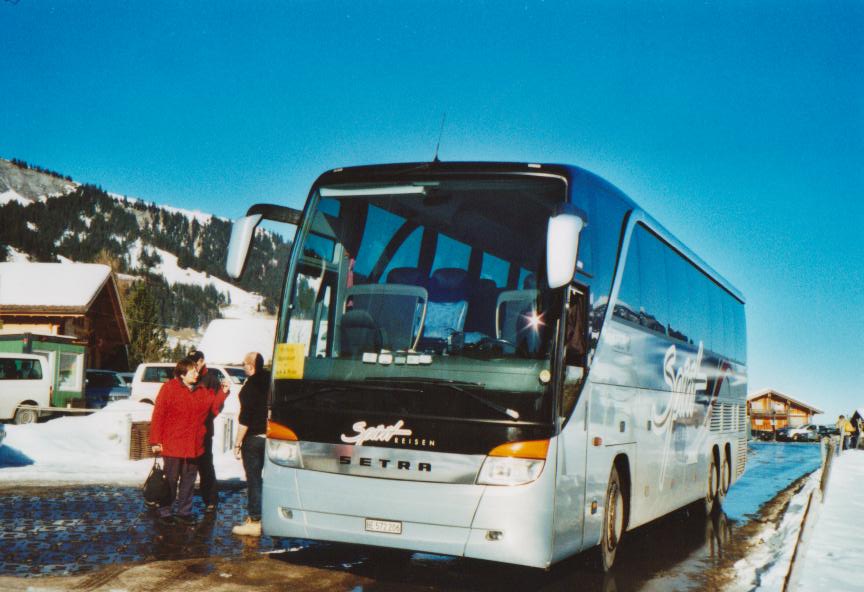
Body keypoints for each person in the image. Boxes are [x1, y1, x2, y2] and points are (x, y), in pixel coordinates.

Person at [149, 357, 228, 526]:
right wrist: (156, 440)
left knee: (189, 480)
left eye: (196, 370)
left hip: (194, 445)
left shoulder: (201, 390)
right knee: (170, 480)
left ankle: (184, 512)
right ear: (182, 374)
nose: (196, 373)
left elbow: (213, 408)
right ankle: (165, 510)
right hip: (173, 444)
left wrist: (223, 394)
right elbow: (158, 415)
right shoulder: (169, 389)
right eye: (193, 371)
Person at [232, 352, 270, 537]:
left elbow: (245, 420)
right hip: (271, 437)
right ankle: (268, 516)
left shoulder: (249, 389)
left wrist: (238, 442)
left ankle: (255, 519)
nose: (243, 367)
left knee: (254, 479)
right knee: (268, 480)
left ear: (250, 366)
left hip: (254, 438)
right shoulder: (271, 381)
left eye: (244, 364)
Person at [188, 349, 223, 512]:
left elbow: (217, 406)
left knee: (205, 465)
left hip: (204, 430)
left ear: (202, 361)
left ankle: (210, 499)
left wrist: (204, 419)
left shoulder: (211, 380)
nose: (194, 365)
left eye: (196, 362)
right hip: (188, 430)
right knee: (187, 466)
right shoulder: (190, 376)